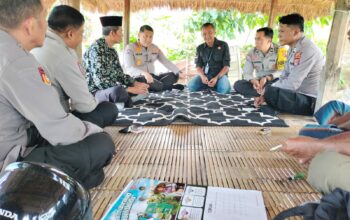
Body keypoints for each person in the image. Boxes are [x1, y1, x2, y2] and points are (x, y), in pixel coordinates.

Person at [0, 0, 114, 190]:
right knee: (102, 144)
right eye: (44, 18)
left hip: (24, 135)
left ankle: (68, 181)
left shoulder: (12, 51)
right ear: (30, 25)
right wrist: (96, 132)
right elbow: (59, 126)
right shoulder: (16, 61)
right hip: (9, 162)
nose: (48, 25)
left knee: (93, 170)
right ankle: (26, 187)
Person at [31, 5, 118, 128]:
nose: (82, 38)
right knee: (109, 110)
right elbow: (85, 106)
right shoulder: (63, 54)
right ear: (70, 34)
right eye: (82, 33)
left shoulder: (37, 42)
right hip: (50, 123)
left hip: (33, 118)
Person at [254, 13, 324, 116]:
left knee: (269, 91)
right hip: (293, 94)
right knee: (266, 85)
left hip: (308, 100)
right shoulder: (293, 48)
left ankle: (271, 105)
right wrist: (268, 88)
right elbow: (284, 76)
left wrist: (266, 91)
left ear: (295, 32)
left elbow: (292, 84)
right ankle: (271, 104)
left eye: (282, 31)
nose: (278, 35)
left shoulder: (307, 49)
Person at [84, 16, 149, 107]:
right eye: (121, 32)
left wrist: (135, 83)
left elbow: (120, 75)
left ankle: (124, 101)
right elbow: (100, 82)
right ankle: (126, 100)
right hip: (97, 92)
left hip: (115, 87)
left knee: (142, 80)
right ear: (112, 33)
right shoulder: (96, 50)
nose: (122, 35)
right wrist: (129, 89)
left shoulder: (112, 51)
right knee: (118, 91)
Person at [124, 25, 186, 92]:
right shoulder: (130, 48)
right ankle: (169, 86)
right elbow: (129, 67)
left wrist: (178, 71)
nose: (148, 39)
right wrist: (144, 73)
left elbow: (165, 61)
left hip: (153, 77)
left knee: (175, 74)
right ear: (139, 35)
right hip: (139, 78)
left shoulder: (154, 48)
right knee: (145, 80)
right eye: (145, 36)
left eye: (150, 37)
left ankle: (158, 86)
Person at [234, 27, 283, 97]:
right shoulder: (252, 52)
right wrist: (253, 81)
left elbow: (282, 72)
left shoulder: (280, 51)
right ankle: (265, 94)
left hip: (273, 81)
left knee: (280, 85)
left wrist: (267, 78)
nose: (256, 41)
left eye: (259, 39)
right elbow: (247, 73)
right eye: (255, 39)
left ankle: (263, 93)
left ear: (269, 40)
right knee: (238, 84)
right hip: (259, 82)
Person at [187, 23, 231, 94]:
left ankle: (215, 86)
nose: (207, 36)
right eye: (204, 34)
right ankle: (210, 86)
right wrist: (202, 76)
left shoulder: (223, 45)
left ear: (214, 32)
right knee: (191, 86)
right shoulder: (200, 48)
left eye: (210, 33)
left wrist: (216, 78)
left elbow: (227, 66)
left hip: (220, 77)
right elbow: (198, 66)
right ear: (201, 35)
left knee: (223, 89)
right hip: (206, 77)